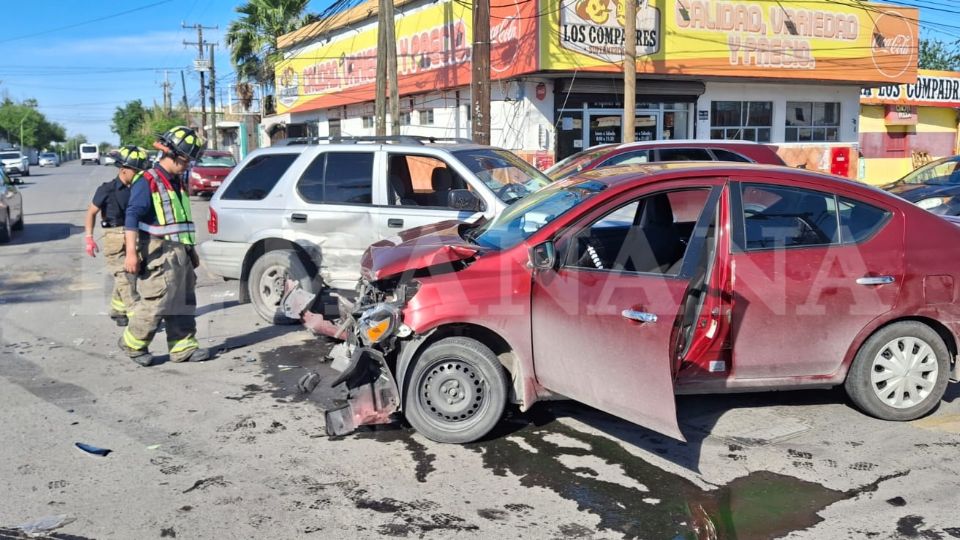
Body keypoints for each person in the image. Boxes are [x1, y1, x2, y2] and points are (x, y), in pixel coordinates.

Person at [119, 126, 211, 366]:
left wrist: (191, 251)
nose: (187, 165)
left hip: (179, 250)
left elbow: (180, 221)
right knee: (157, 300)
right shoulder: (147, 181)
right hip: (157, 251)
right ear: (169, 154)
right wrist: (131, 253)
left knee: (183, 299)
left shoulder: (177, 182)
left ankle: (183, 347)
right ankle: (134, 343)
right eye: (184, 160)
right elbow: (131, 217)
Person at [83, 145, 150, 327]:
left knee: (129, 274)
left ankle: (117, 309)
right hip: (113, 236)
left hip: (134, 235)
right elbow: (91, 212)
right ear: (123, 170)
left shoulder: (140, 188)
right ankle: (138, 317)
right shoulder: (107, 189)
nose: (139, 174)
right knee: (124, 277)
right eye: (135, 170)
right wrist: (89, 238)